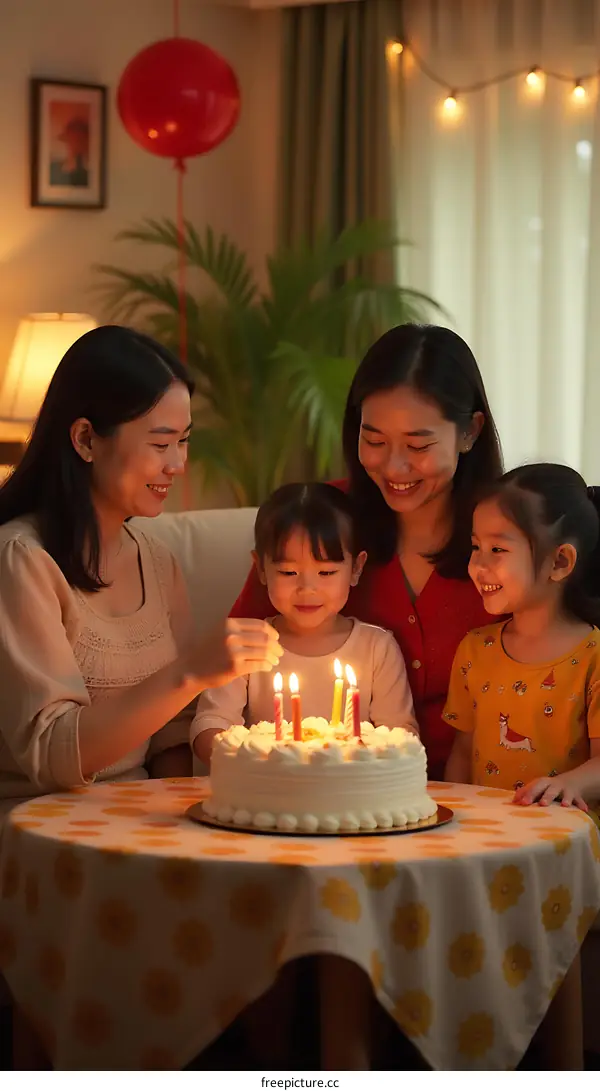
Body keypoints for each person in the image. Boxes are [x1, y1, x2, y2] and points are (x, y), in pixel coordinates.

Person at [0, 325, 281, 812]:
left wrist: (169, 824)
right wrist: (190, 672)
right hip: (39, 830)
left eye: (184, 441)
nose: (178, 463)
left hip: (135, 821)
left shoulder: (156, 561)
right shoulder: (22, 560)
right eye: (160, 444)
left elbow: (171, 737)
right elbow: (54, 755)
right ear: (87, 439)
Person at [231, 323, 503, 779]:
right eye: (374, 440)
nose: (393, 467)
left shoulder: (511, 535)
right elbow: (236, 649)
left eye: (418, 445)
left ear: (470, 432)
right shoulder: (317, 521)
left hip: (487, 793)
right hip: (334, 792)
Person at [192, 482, 418, 766]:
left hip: (351, 797)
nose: (307, 588)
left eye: (326, 571)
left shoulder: (377, 648)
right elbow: (210, 723)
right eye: (288, 572)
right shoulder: (247, 645)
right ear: (260, 568)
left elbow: (401, 736)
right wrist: (243, 763)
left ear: (357, 568)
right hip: (265, 793)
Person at [444, 463, 600, 811]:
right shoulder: (474, 649)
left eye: (497, 550)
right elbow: (462, 753)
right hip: (487, 840)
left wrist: (567, 784)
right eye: (475, 546)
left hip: (562, 847)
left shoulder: (594, 656)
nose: (478, 565)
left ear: (560, 561)